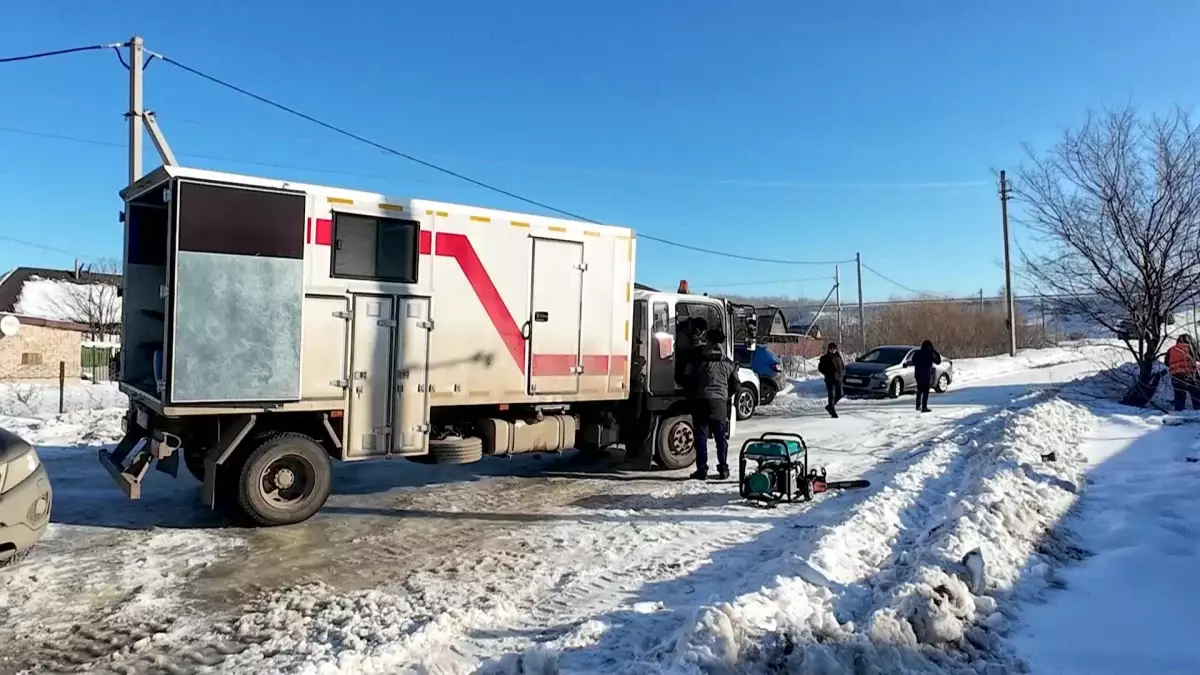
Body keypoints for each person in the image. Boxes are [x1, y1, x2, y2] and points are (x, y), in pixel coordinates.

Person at [683, 328, 740, 480]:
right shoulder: (728, 363)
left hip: (701, 402)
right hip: (719, 404)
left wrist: (692, 395)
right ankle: (723, 469)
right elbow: (736, 385)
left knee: (701, 437)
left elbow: (686, 379)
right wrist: (725, 396)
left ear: (707, 340)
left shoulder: (697, 360)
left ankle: (702, 470)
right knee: (721, 439)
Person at [1165, 334, 1200, 411]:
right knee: (1196, 395)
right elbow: (1197, 358)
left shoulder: (1171, 349)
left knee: (1179, 396)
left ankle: (1179, 412)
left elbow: (1166, 362)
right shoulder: (1191, 348)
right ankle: (1198, 411)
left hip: (1175, 375)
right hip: (1189, 374)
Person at [912, 340, 942, 413]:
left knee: (919, 389)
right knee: (925, 391)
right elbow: (938, 361)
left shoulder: (917, 353)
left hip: (918, 374)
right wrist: (935, 352)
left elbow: (913, 360)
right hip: (926, 374)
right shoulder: (929, 353)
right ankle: (924, 407)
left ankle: (918, 405)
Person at [817, 342, 845, 418]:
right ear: (829, 349)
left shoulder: (838, 356)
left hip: (839, 378)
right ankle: (832, 411)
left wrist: (842, 374)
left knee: (840, 394)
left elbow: (842, 366)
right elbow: (820, 368)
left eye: (834, 349)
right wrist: (827, 373)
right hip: (830, 379)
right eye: (831, 349)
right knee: (831, 395)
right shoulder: (824, 358)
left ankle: (829, 406)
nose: (833, 350)